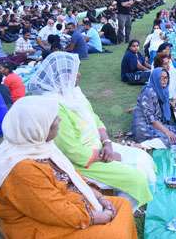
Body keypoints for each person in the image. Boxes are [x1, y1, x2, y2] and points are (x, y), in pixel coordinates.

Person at [0, 96, 138, 239]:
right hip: (38, 226)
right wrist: (96, 217)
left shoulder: (38, 144)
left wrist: (99, 197)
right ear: (38, 128)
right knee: (113, 233)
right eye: (53, 120)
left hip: (67, 203)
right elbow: (52, 211)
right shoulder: (20, 169)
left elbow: (71, 175)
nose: (59, 120)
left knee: (123, 205)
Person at [27, 52, 155, 212]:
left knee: (142, 158)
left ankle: (124, 202)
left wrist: (107, 143)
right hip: (81, 162)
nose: (79, 75)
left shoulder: (73, 94)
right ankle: (120, 211)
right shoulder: (54, 107)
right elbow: (71, 151)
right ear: (62, 76)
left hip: (99, 147)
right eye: (75, 71)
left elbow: (95, 119)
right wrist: (104, 155)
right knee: (136, 177)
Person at [131, 68, 176, 147]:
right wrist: (167, 132)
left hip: (155, 123)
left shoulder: (162, 90)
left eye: (166, 77)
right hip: (143, 127)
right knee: (171, 139)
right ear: (155, 78)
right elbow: (151, 119)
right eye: (161, 78)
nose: (164, 80)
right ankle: (141, 145)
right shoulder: (148, 92)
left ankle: (151, 142)